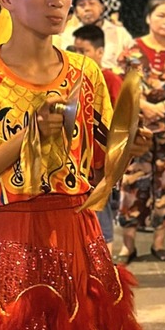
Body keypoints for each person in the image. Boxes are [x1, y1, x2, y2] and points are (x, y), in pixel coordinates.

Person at [0, 0, 149, 330]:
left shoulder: (86, 73)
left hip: (83, 234)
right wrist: (27, 136)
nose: (57, 0)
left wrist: (126, 150)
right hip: (14, 239)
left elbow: (98, 166)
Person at [117, 0, 165, 263]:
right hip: (137, 129)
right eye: (161, 15)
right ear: (149, 18)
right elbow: (121, 86)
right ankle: (128, 246)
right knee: (132, 182)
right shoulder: (132, 51)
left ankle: (159, 243)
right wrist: (146, 106)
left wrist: (163, 106)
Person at [73, 24, 123, 254]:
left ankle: (107, 265)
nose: (79, 56)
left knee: (102, 218)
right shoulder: (69, 79)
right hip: (77, 161)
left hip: (101, 161)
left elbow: (122, 123)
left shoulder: (110, 79)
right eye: (76, 50)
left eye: (85, 51)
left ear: (100, 52)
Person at [60, 0, 135, 69]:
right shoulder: (68, 35)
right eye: (82, 5)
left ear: (102, 7)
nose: (87, 8)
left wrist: (130, 61)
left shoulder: (120, 33)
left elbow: (137, 58)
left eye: (92, 3)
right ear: (76, 12)